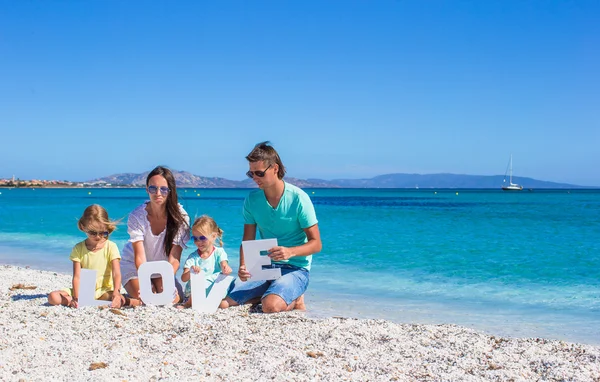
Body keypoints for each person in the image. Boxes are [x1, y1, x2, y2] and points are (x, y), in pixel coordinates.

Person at [221, 141, 322, 313]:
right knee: (224, 304)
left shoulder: (299, 199)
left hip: (296, 268)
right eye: (251, 174)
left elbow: (316, 244)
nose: (255, 179)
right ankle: (273, 293)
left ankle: (295, 297)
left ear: (275, 168)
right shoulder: (252, 200)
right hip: (263, 268)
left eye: (259, 173)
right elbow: (248, 240)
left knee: (270, 307)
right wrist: (244, 266)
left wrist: (290, 252)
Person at [120, 166, 190, 303]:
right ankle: (130, 298)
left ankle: (156, 286)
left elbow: (174, 258)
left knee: (173, 299)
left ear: (170, 191)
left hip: (162, 267)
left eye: (163, 189)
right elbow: (139, 256)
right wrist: (145, 280)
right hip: (135, 266)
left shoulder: (181, 218)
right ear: (147, 190)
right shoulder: (137, 216)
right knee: (148, 296)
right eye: (153, 188)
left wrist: (167, 279)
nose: (158, 193)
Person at [47, 204, 125, 308]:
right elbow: (77, 276)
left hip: (104, 290)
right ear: (83, 227)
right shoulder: (78, 248)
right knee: (53, 297)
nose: (98, 236)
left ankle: (96, 301)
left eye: (102, 233)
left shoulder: (111, 247)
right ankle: (81, 301)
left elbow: (116, 273)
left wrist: (116, 291)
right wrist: (76, 296)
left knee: (114, 297)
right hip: (84, 290)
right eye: (93, 232)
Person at [179, 215, 232, 308]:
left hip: (212, 288)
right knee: (199, 284)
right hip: (195, 292)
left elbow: (224, 264)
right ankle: (188, 303)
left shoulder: (219, 252)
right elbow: (183, 278)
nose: (198, 242)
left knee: (223, 304)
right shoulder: (193, 257)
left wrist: (226, 268)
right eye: (195, 238)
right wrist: (191, 271)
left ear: (214, 236)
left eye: (202, 238)